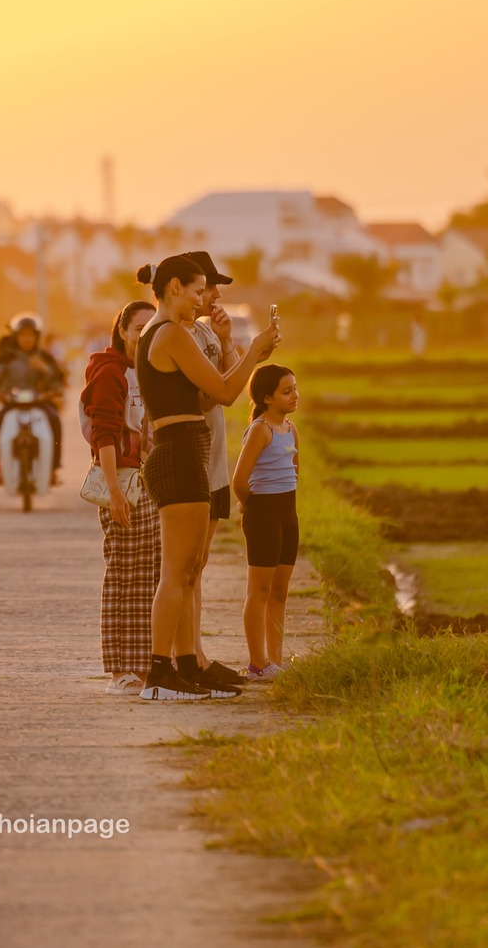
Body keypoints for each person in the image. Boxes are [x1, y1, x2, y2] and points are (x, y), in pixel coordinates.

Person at [131, 255, 277, 701]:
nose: (202, 301)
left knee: (190, 570)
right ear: (174, 287)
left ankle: (187, 668)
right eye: (197, 292)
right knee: (177, 572)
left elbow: (213, 390)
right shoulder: (170, 333)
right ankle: (160, 674)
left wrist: (245, 350)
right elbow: (227, 392)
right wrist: (254, 350)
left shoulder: (162, 334)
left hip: (184, 450)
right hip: (178, 453)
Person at [82, 300, 159, 694]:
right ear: (123, 331)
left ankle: (143, 664)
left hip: (149, 480)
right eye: (138, 328)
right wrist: (113, 492)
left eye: (152, 326)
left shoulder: (147, 370)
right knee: (123, 574)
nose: (144, 335)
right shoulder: (111, 373)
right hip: (122, 481)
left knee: (149, 574)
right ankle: (120, 671)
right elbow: (105, 434)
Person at [183, 250, 243, 687]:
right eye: (206, 287)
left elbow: (231, 381)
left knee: (199, 564)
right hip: (195, 462)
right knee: (186, 566)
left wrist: (226, 343)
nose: (215, 295)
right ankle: (189, 656)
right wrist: (246, 350)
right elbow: (216, 395)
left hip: (215, 462)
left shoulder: (204, 334)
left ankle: (197, 653)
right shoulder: (178, 338)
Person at [232, 365, 300, 681]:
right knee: (258, 591)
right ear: (267, 398)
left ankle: (276, 660)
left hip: (288, 513)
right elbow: (239, 480)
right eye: (286, 391)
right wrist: (250, 507)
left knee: (280, 592)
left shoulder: (290, 428)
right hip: (263, 513)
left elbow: (295, 471)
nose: (295, 395)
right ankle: (257, 663)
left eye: (295, 388)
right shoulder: (261, 430)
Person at [0, 314, 66, 484]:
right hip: (11, 404)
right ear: (15, 336)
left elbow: (59, 379)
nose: (27, 339)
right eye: (23, 335)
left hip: (40, 403)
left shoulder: (44, 357)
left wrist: (46, 371)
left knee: (55, 421)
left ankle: (53, 469)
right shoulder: (5, 358)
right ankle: (0, 469)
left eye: (30, 335)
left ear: (36, 337)